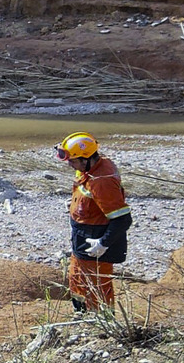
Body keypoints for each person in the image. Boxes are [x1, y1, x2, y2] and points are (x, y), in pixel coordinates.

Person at [54, 132, 133, 313]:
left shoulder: (101, 181)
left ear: (86, 159)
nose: (69, 165)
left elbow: (123, 219)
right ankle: (81, 315)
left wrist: (103, 243)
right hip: (83, 237)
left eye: (72, 161)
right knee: (77, 279)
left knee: (96, 286)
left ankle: (102, 324)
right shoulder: (88, 169)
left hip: (95, 242)